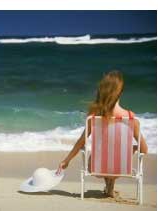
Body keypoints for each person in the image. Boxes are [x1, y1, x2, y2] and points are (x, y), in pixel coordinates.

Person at [56, 70, 148, 198]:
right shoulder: (131, 118)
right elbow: (144, 149)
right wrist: (130, 149)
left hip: (96, 168)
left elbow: (81, 142)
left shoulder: (94, 117)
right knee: (119, 151)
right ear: (121, 93)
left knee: (104, 150)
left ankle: (108, 186)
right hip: (120, 169)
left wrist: (66, 161)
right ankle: (111, 187)